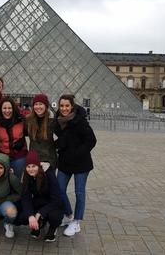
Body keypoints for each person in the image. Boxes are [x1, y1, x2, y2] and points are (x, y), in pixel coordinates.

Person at [53, 94, 97, 236]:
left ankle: (76, 222)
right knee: (59, 189)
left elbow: (91, 141)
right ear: (58, 107)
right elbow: (63, 139)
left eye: (67, 106)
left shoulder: (80, 121)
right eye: (62, 106)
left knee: (79, 192)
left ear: (72, 106)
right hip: (65, 162)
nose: (64, 108)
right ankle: (68, 215)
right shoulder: (58, 122)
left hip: (81, 163)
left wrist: (77, 153)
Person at [17, 150, 63, 242]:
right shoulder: (26, 175)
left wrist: (39, 213)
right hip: (38, 202)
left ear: (38, 166)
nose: (31, 169)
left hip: (52, 203)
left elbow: (57, 199)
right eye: (28, 166)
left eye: (34, 166)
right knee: (23, 217)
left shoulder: (48, 174)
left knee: (54, 217)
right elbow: (26, 198)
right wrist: (31, 216)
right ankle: (38, 224)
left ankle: (53, 228)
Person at [0, 97, 27, 179]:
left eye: (10, 108)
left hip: (19, 155)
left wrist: (22, 141)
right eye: (4, 108)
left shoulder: (20, 120)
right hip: (2, 155)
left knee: (16, 180)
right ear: (0, 109)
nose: (7, 111)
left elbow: (28, 132)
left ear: (14, 108)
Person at [25, 94, 57, 170]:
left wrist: (57, 145)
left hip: (48, 160)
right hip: (33, 160)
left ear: (46, 106)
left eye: (41, 104)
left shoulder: (52, 121)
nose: (38, 107)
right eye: (36, 104)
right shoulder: (28, 120)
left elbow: (64, 135)